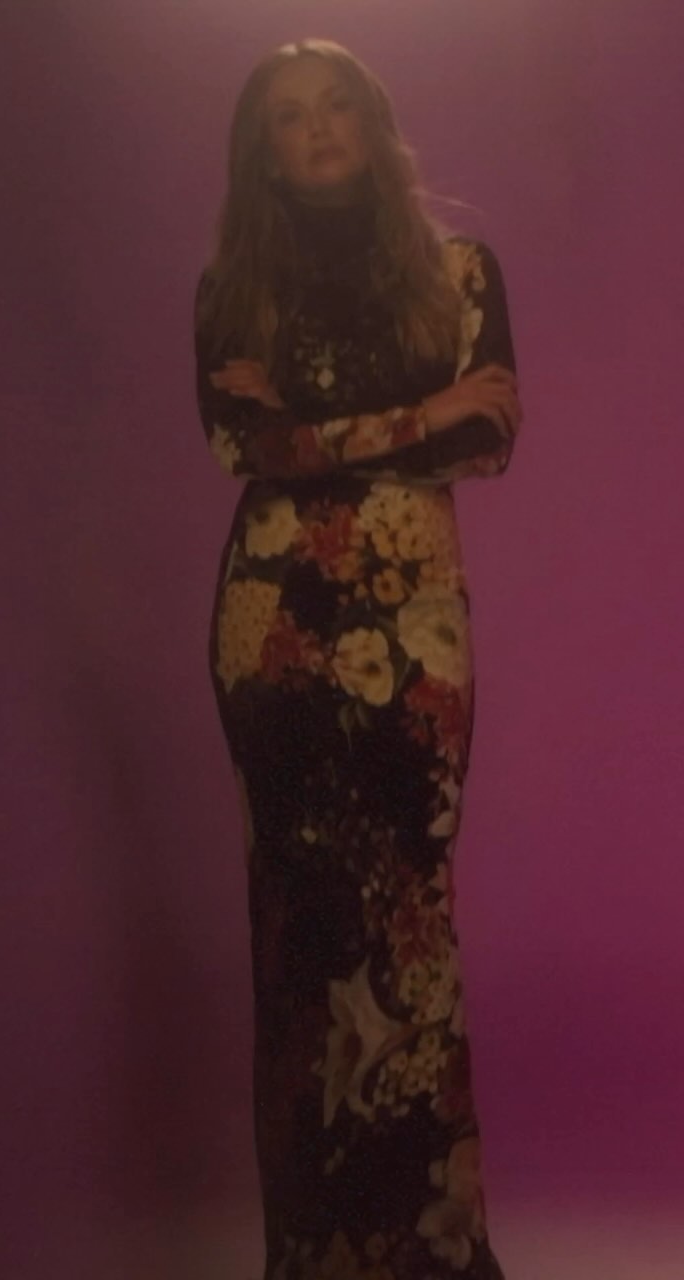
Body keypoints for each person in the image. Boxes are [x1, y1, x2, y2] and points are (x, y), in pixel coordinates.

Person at [194, 36, 522, 1280]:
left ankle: (431, 1250)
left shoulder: (458, 273)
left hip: (412, 620)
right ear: (262, 151)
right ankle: (317, 1255)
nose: (318, 127)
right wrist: (418, 413)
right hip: (273, 626)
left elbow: (486, 440)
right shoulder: (232, 292)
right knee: (302, 928)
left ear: (373, 128)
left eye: (337, 106)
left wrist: (317, 425)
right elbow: (245, 452)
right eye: (289, 116)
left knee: (408, 914)